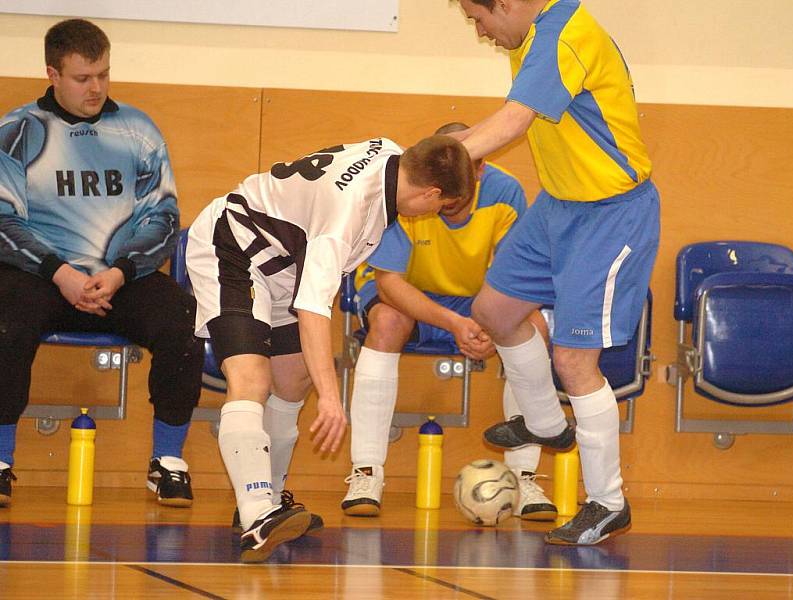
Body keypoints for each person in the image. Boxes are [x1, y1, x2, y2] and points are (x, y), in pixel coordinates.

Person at [185, 135, 475, 562]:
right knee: (251, 378)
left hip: (283, 262)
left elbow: (457, 146)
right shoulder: (348, 214)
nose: (434, 213)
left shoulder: (396, 154)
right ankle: (256, 516)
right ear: (431, 192)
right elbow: (314, 310)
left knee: (294, 378)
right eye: (440, 205)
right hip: (233, 248)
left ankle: (268, 494)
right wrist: (332, 399)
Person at [451, 0, 660, 545]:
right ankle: (544, 422)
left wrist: (428, 166)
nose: (481, 31)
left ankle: (608, 502)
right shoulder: (532, 34)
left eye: (480, 18)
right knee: (494, 310)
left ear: (510, 3)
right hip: (559, 206)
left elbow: (513, 121)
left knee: (573, 359)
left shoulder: (563, 34)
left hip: (611, 214)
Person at [0, 19, 204, 509]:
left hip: (119, 278)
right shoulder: (18, 131)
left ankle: (167, 463)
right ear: (52, 73)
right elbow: (4, 222)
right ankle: (1, 461)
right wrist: (62, 274)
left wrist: (118, 272)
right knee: (6, 324)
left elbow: (163, 216)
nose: (96, 88)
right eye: (82, 78)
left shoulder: (138, 130)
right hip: (41, 275)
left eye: (104, 75)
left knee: (182, 318)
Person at [342, 122, 557, 522]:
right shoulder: (406, 188)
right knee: (387, 323)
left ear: (479, 169)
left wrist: (491, 323)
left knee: (534, 329)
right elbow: (389, 283)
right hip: (402, 288)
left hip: (473, 294)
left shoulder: (506, 192)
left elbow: (515, 278)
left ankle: (524, 476)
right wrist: (456, 324)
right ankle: (366, 472)